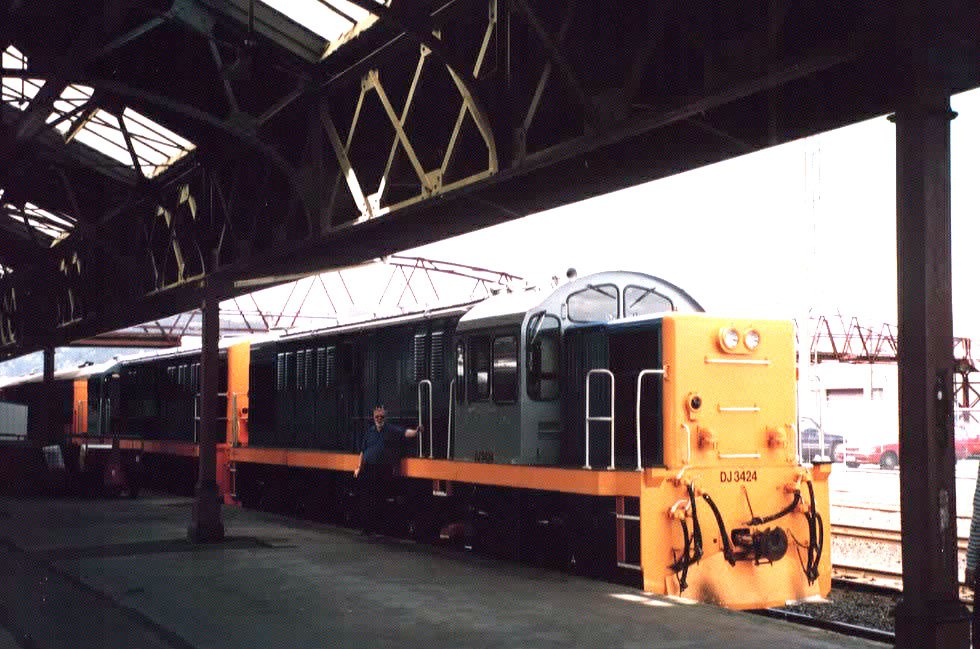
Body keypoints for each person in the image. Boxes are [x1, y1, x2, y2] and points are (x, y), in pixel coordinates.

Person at [354, 406, 420, 536]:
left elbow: (405, 432)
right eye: (377, 417)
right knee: (367, 499)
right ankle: (367, 528)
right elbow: (363, 451)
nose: (379, 419)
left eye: (381, 417)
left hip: (383, 469)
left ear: (385, 418)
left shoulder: (391, 429)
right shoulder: (369, 432)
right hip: (369, 468)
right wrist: (358, 467)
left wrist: (416, 431)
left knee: (380, 499)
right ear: (373, 418)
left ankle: (379, 528)